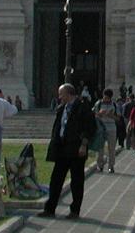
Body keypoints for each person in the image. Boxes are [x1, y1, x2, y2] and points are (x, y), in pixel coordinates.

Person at [40, 83, 97, 219]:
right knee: (56, 179)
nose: (59, 97)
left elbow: (90, 127)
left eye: (61, 94)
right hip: (62, 148)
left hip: (76, 149)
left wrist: (84, 144)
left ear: (69, 94)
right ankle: (50, 208)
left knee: (76, 181)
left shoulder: (83, 107)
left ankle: (74, 210)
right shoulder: (61, 108)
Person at [94, 89, 119, 173]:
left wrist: (111, 115)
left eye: (108, 98)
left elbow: (118, 118)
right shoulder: (98, 104)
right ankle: (99, 165)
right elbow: (93, 116)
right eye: (105, 97)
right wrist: (99, 114)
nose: (106, 99)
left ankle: (111, 166)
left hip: (112, 128)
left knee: (111, 148)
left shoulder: (114, 104)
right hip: (100, 128)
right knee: (100, 148)